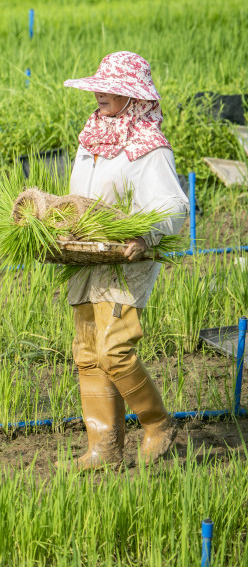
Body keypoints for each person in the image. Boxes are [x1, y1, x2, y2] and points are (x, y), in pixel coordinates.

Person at [61, 52, 189, 469]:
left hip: (125, 259)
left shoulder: (148, 148)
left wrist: (145, 233)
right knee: (87, 352)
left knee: (114, 349)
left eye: (110, 88)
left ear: (133, 96)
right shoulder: (92, 138)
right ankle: (104, 450)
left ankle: (159, 425)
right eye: (98, 85)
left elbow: (174, 207)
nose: (99, 93)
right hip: (86, 258)